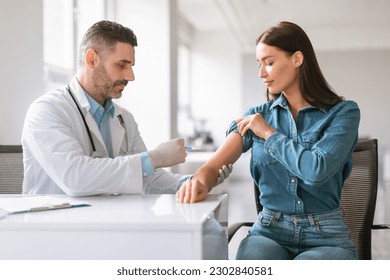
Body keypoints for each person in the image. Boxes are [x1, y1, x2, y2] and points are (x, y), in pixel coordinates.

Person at [176, 21, 360, 260]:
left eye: (269, 62)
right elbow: (213, 166)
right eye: (259, 64)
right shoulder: (256, 116)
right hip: (269, 231)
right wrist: (200, 181)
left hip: (326, 235)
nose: (261, 73)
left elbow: (316, 170)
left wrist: (269, 134)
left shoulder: (343, 113)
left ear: (296, 59)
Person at [22, 20, 231, 197]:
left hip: (110, 223)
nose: (130, 76)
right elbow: (76, 178)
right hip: (53, 230)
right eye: (122, 65)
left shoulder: (124, 119)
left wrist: (191, 182)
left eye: (131, 66)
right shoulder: (47, 111)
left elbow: (146, 178)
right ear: (92, 59)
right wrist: (155, 157)